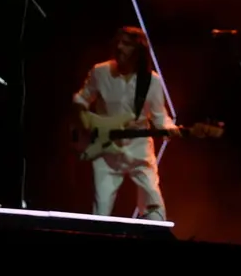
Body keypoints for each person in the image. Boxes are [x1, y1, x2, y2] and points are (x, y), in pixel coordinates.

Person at [73, 26, 180, 220]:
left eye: (127, 44)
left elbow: (159, 116)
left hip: (139, 152)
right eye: (118, 43)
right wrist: (84, 126)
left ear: (138, 51)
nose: (120, 48)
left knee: (155, 211)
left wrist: (170, 129)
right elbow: (82, 100)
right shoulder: (100, 72)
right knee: (101, 214)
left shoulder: (151, 81)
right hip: (106, 153)